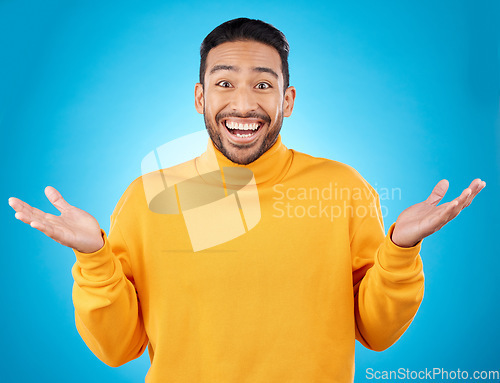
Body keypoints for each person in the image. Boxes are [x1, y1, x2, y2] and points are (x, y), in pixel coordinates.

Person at [8, 18, 485, 383]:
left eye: (263, 84)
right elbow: (117, 348)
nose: (242, 104)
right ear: (200, 96)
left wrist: (400, 249)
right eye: (223, 83)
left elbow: (377, 333)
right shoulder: (151, 197)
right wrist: (93, 259)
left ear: (288, 100)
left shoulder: (341, 187)